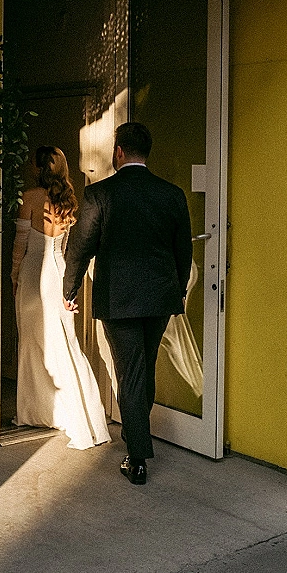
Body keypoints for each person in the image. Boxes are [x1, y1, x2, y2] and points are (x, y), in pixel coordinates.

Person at [63, 123, 192, 484]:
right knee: (143, 369)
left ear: (118, 151)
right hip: (160, 297)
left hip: (118, 298)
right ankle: (136, 436)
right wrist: (177, 290)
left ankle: (137, 457)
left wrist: (69, 289)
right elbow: (184, 251)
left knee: (131, 372)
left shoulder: (100, 194)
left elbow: (80, 247)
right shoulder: (171, 194)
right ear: (145, 152)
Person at [11, 146, 111, 450]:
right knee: (65, 345)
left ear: (38, 168)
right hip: (59, 271)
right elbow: (68, 246)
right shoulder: (68, 201)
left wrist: (14, 276)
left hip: (33, 274)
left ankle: (36, 411)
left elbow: (20, 245)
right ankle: (79, 417)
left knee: (32, 343)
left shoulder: (29, 198)